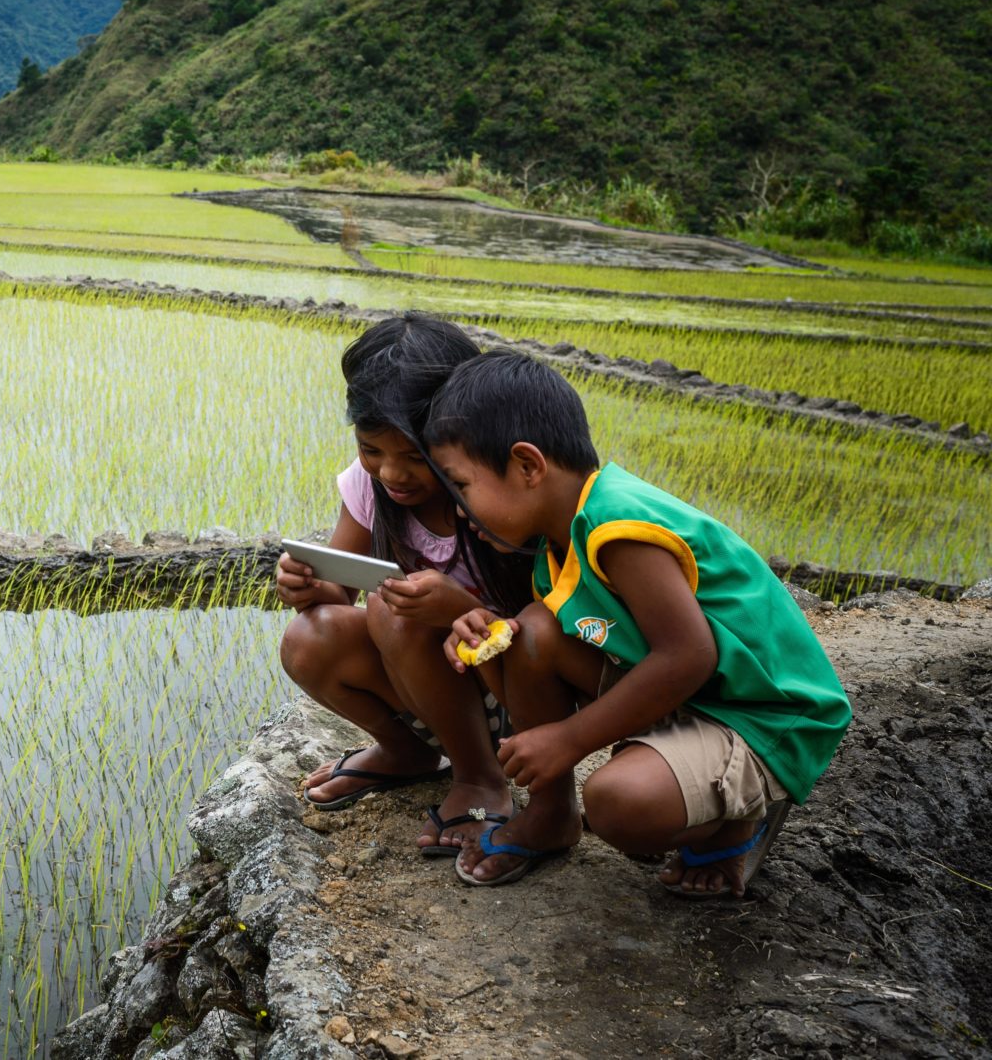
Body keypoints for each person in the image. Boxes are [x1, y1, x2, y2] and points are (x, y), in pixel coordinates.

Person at [422, 350, 852, 894]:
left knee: (619, 802)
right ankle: (551, 816)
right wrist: (486, 641)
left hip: (763, 715)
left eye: (461, 486)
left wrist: (570, 739)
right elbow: (538, 671)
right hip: (698, 696)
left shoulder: (618, 528)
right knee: (530, 631)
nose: (459, 510)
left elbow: (689, 655)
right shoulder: (559, 548)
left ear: (528, 466)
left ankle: (734, 826)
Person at [276, 314, 532, 856]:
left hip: (516, 690)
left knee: (392, 608)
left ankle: (482, 779)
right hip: (430, 685)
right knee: (309, 637)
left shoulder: (495, 492)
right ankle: (407, 753)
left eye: (415, 456)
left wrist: (460, 608)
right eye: (373, 450)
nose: (391, 473)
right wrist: (305, 582)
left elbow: (550, 625)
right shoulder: (371, 487)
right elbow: (338, 595)